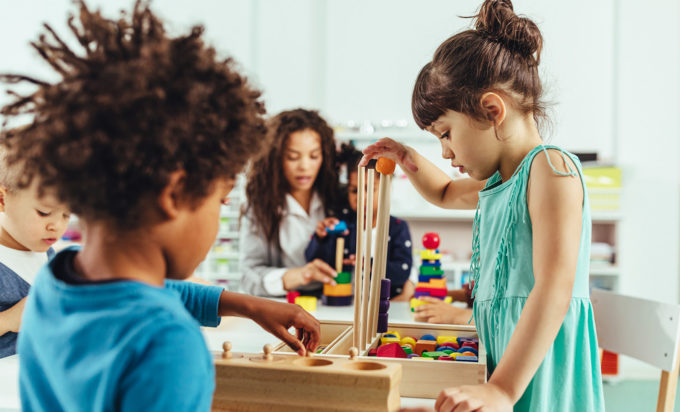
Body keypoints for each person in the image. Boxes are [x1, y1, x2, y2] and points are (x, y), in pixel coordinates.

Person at [0, 2, 319, 410]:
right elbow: (149, 303)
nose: (219, 216)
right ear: (174, 196)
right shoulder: (167, 343)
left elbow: (141, 293)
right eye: (220, 200)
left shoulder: (55, 281)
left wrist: (245, 305)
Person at [361, 1, 604, 410]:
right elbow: (442, 193)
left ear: (492, 111)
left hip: (536, 371)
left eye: (446, 134)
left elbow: (554, 288)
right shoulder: (497, 183)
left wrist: (503, 389)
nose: (445, 152)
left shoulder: (550, 169)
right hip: (503, 362)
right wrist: (404, 157)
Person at [240, 108, 342, 296]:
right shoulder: (260, 206)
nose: (304, 166)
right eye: (293, 157)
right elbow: (248, 276)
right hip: (285, 306)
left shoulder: (339, 199)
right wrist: (299, 276)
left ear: (325, 156)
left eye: (314, 156)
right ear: (275, 158)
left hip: (337, 302)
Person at [305, 143, 414, 300]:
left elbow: (402, 272)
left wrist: (369, 265)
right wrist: (320, 238)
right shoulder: (340, 224)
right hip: (344, 304)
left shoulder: (397, 228)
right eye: (354, 190)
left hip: (386, 305)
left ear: (387, 188)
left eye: (370, 189)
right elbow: (313, 261)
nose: (361, 197)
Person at [0, 143, 70, 358]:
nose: (56, 226)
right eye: (44, 212)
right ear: (2, 200)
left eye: (67, 215)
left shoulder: (45, 251)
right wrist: (9, 319)